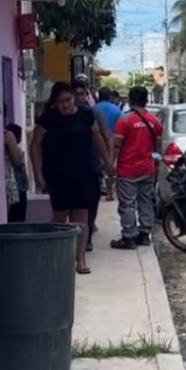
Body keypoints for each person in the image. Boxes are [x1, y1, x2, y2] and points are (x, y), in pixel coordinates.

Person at [30, 82, 113, 274]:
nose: (65, 105)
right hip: (57, 175)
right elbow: (35, 146)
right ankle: (54, 256)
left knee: (82, 217)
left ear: (73, 98)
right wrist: (38, 173)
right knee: (60, 216)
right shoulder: (47, 119)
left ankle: (80, 259)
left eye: (68, 100)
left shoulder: (86, 115)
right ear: (55, 103)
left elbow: (98, 140)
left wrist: (108, 163)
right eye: (60, 102)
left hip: (84, 172)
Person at [110, 86, 163, 249]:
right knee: (145, 201)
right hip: (147, 169)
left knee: (127, 204)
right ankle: (144, 234)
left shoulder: (124, 120)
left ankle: (129, 237)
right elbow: (157, 146)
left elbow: (117, 145)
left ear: (130, 100)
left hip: (127, 170)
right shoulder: (155, 121)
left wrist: (110, 164)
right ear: (146, 100)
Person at [73, 77, 111, 251]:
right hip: (70, 168)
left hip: (92, 164)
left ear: (87, 96)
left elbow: (105, 136)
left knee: (92, 202)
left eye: (82, 94)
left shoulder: (94, 114)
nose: (79, 97)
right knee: (74, 206)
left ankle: (87, 235)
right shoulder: (62, 116)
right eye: (76, 94)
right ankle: (77, 237)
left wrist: (108, 161)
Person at [94, 88, 123, 202]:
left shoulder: (93, 109)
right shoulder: (116, 110)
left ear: (99, 96)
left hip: (96, 143)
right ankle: (109, 192)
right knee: (109, 166)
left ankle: (97, 189)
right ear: (110, 97)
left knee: (97, 167)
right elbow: (120, 129)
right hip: (112, 143)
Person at [4, 124, 29, 223]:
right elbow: (19, 163)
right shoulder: (14, 149)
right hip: (17, 187)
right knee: (18, 218)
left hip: (15, 188)